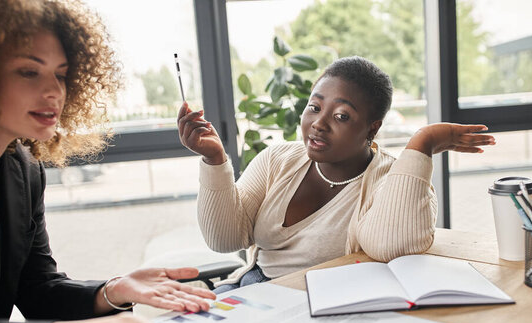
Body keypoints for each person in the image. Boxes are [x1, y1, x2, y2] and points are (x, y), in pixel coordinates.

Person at [0, 0, 236, 323]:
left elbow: (38, 292)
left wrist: (114, 290)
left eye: (61, 75)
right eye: (29, 71)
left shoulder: (23, 172)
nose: (53, 91)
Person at [178, 56, 495, 293]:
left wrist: (422, 143)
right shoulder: (277, 159)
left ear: (372, 128)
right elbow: (225, 239)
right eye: (315, 107)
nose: (319, 123)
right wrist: (215, 160)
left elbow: (393, 246)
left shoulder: (393, 180)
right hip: (253, 290)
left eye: (342, 116)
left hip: (326, 305)